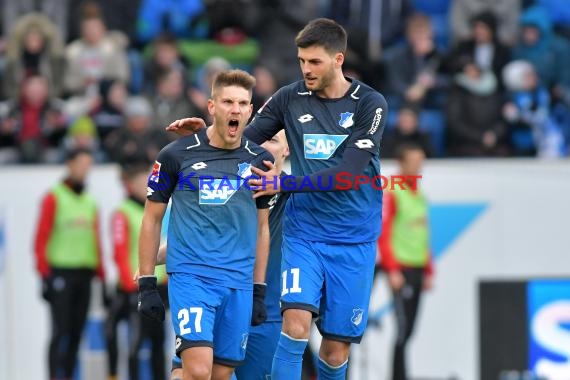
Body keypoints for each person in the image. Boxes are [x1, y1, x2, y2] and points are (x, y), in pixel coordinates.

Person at [168, 18, 388, 380]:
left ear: (338, 59)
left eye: (314, 62)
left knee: (334, 352)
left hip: (354, 238)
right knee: (296, 325)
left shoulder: (370, 104)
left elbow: (348, 174)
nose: (306, 70)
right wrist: (208, 139)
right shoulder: (289, 97)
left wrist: (283, 184)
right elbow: (245, 143)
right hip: (305, 234)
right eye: (301, 60)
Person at [137, 69, 274, 380]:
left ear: (250, 110)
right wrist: (147, 281)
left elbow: (262, 227)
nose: (235, 109)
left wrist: (259, 290)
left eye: (242, 103)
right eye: (228, 101)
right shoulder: (175, 155)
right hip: (191, 277)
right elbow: (152, 218)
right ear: (212, 107)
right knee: (199, 370)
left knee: (220, 373)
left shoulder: (260, 161)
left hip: (237, 281)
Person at [34, 147, 105, 379]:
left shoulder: (89, 201)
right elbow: (41, 237)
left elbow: (96, 241)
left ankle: (68, 375)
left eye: (88, 165)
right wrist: (44, 275)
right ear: (70, 164)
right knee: (60, 331)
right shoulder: (54, 197)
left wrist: (101, 276)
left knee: (77, 332)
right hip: (61, 273)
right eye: (81, 164)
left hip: (85, 273)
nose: (85, 170)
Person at [106, 163, 168, 380]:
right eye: (143, 182)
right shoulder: (123, 213)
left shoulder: (156, 210)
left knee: (159, 342)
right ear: (130, 185)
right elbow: (120, 253)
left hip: (158, 286)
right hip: (138, 287)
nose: (147, 186)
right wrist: (132, 286)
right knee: (136, 343)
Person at [377, 143, 434, 380]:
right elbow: (384, 232)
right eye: (414, 161)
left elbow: (422, 235)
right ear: (402, 163)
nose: (418, 166)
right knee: (402, 331)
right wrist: (392, 269)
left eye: (421, 161)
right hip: (401, 268)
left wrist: (429, 269)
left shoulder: (419, 195)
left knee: (410, 329)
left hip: (418, 267)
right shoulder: (394, 192)